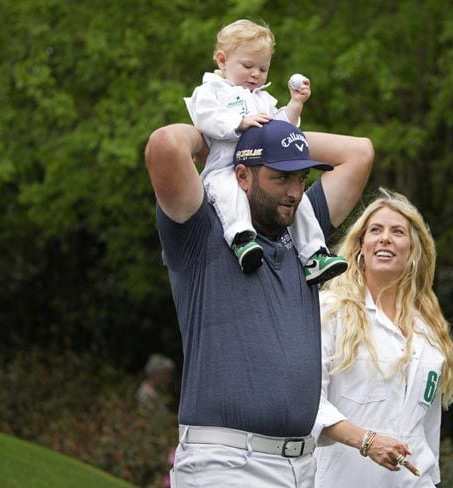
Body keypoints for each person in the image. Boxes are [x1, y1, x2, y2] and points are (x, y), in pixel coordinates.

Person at [144, 119, 373, 487]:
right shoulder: (203, 229)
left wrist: (276, 135)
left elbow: (358, 153)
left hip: (301, 466)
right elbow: (166, 144)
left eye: (300, 179)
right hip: (227, 463)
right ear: (242, 175)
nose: (294, 192)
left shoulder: (303, 231)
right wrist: (227, 136)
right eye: (280, 177)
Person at [313, 188, 453, 488]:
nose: (385, 238)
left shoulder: (430, 331)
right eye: (375, 230)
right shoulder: (330, 311)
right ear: (360, 247)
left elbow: (427, 431)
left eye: (397, 232)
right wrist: (367, 441)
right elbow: (309, 402)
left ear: (413, 251)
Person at [183, 19, 347, 284]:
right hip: (225, 165)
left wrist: (295, 104)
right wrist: (238, 123)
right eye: (248, 66)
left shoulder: (262, 98)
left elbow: (282, 130)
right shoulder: (210, 91)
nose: (256, 74)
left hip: (261, 168)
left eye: (263, 68)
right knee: (227, 192)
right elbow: (204, 117)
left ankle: (315, 255)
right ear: (222, 60)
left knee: (299, 201)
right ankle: (241, 239)